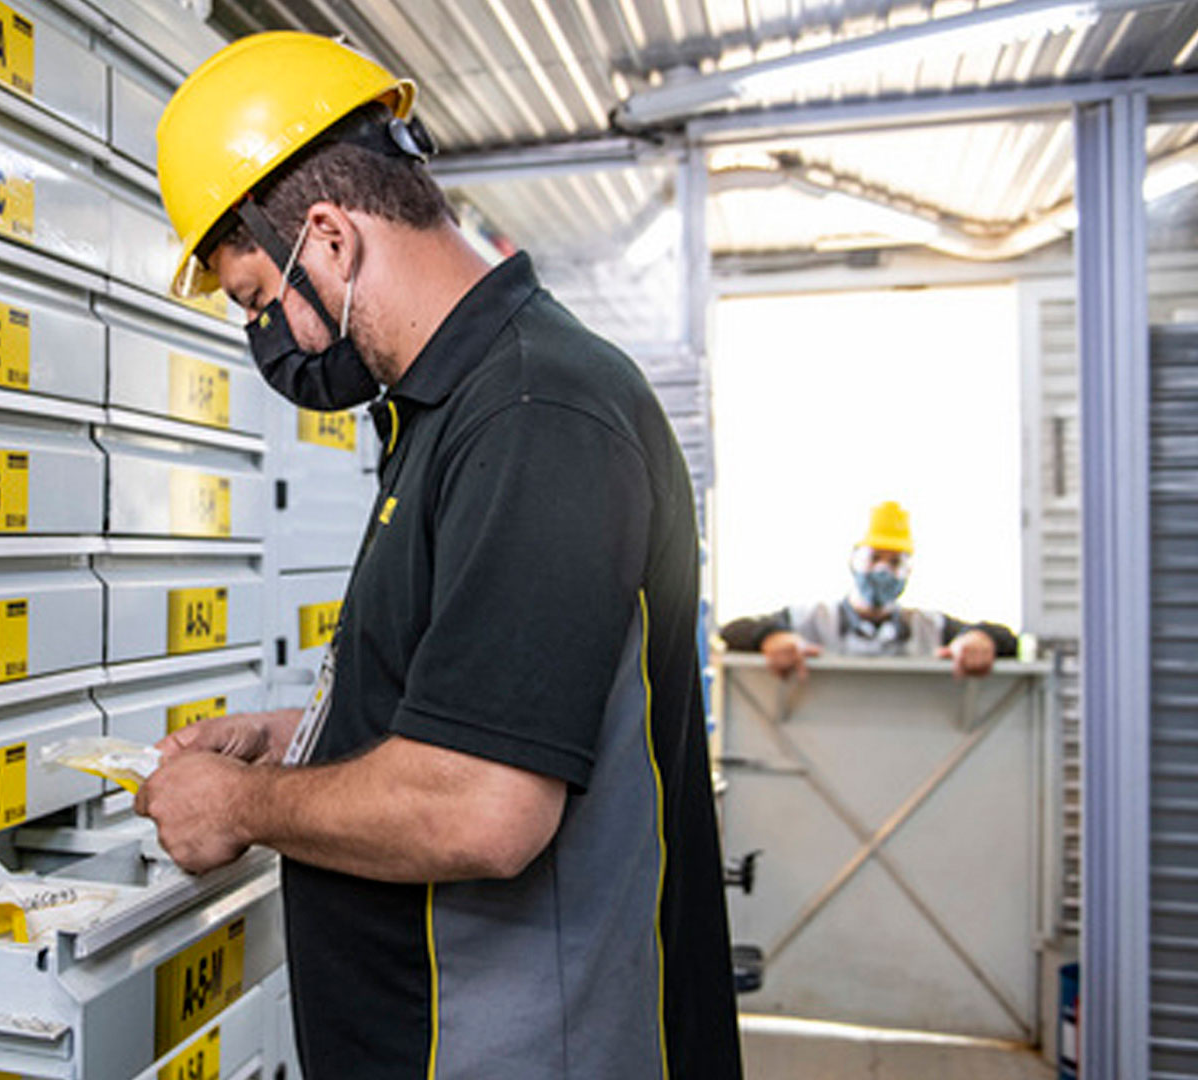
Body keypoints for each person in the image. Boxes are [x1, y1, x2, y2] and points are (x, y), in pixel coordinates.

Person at [133, 32, 741, 1080]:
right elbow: (491, 693)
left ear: (326, 238)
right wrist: (299, 734)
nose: (265, 336)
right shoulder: (452, 410)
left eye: (255, 300)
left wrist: (240, 807)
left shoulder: (533, 414)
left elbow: (484, 805)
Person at [718, 500, 1018, 679]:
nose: (882, 571)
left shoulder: (929, 627)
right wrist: (771, 637)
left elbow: (1009, 642)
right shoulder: (811, 619)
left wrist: (981, 640)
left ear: (908, 571)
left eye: (895, 562)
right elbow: (731, 633)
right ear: (854, 560)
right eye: (873, 558)